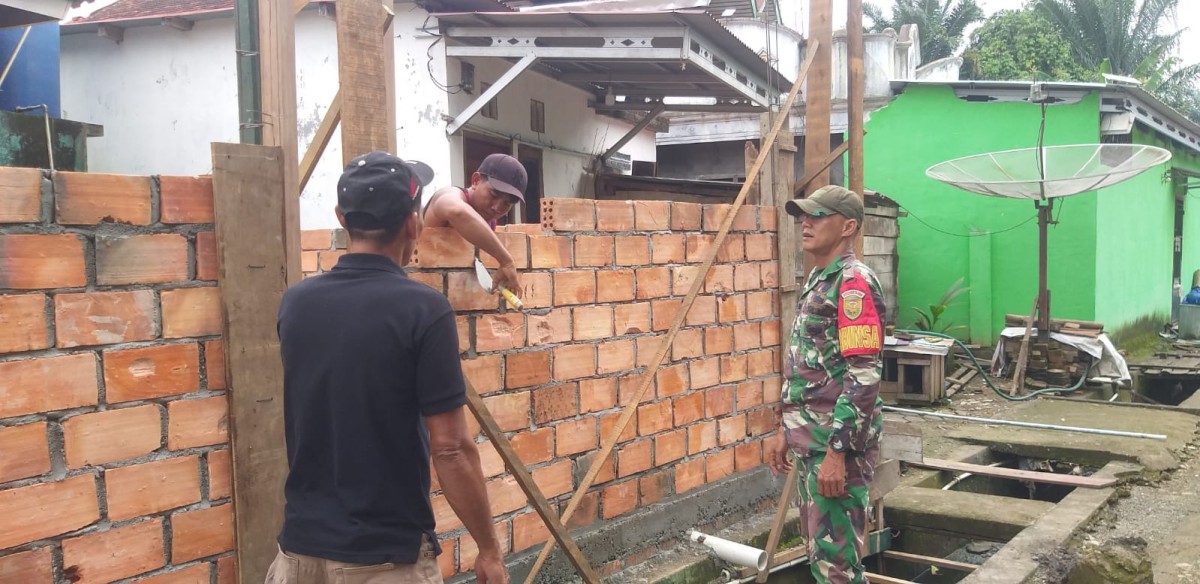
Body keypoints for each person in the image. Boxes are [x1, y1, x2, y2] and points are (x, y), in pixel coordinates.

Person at [270, 151, 509, 584]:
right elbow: (451, 448)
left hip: (297, 555)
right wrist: (489, 549)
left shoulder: (296, 303)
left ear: (343, 218)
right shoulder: (423, 310)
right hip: (383, 559)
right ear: (414, 223)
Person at [766, 185, 885, 584]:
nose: (806, 222)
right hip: (811, 441)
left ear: (848, 226)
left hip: (837, 447)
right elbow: (811, 367)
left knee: (837, 566)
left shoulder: (853, 284)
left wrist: (837, 452)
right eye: (805, 215)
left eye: (818, 215)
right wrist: (787, 428)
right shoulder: (821, 278)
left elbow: (864, 375)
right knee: (822, 556)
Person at [423, 153, 526, 296]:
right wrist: (506, 261)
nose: (497, 208)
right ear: (476, 180)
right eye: (494, 195)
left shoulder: (489, 223)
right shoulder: (451, 194)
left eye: (507, 204)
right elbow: (457, 211)